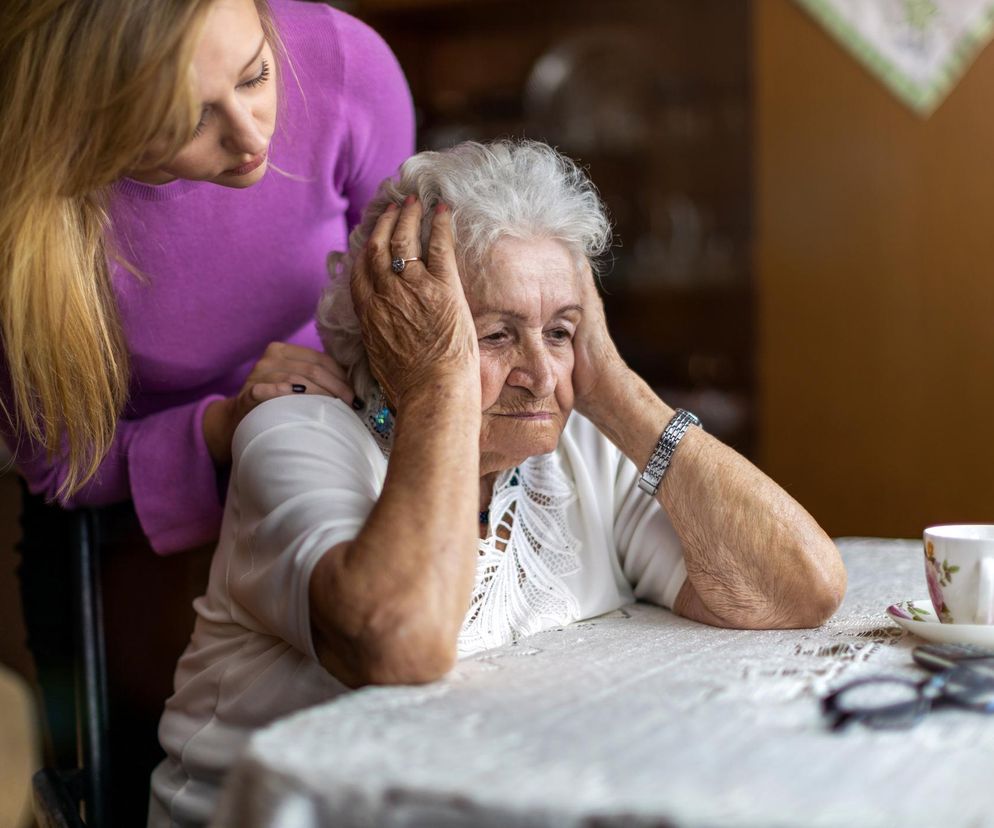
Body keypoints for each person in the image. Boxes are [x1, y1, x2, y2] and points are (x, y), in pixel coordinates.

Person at [150, 140, 846, 826]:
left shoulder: (576, 446)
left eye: (561, 332)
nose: (542, 377)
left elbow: (799, 587)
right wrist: (438, 383)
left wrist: (616, 390)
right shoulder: (299, 432)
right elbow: (400, 642)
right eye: (497, 335)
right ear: (399, 331)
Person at [1, 0, 412, 821]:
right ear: (86, 126)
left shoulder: (340, 61)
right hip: (120, 526)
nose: (253, 136)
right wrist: (222, 427)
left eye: (256, 76)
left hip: (330, 459)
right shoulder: (21, 194)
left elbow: (407, 293)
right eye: (185, 121)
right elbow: (57, 461)